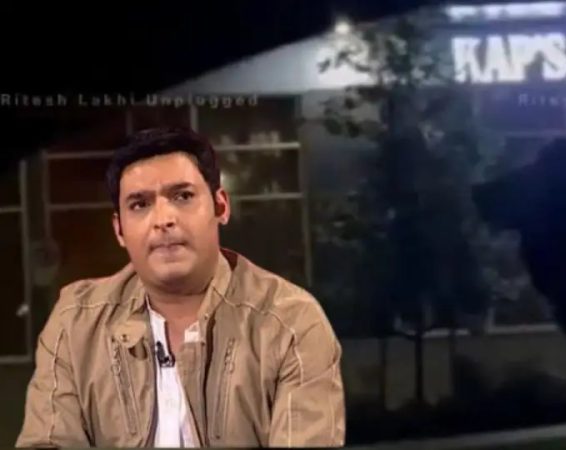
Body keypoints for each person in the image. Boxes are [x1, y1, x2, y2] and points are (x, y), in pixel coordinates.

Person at [16, 127, 346, 447]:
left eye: (183, 196)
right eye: (140, 204)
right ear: (119, 230)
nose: (163, 219)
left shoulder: (290, 322)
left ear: (221, 206)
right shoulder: (76, 322)